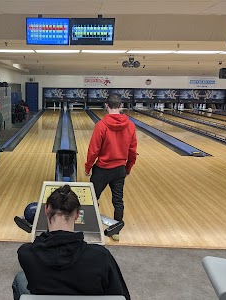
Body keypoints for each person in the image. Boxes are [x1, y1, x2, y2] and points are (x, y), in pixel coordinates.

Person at [12, 185, 130, 300]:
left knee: (20, 278)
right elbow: (120, 296)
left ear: (46, 209)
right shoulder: (101, 256)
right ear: (77, 214)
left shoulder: (26, 254)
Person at [84, 93, 137, 232]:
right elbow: (132, 151)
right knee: (118, 201)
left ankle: (91, 226)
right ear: (121, 106)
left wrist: (88, 167)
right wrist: (128, 168)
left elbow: (93, 150)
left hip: (102, 169)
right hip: (120, 169)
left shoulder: (101, 125)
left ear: (106, 105)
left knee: (93, 199)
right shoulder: (130, 126)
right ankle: (116, 231)